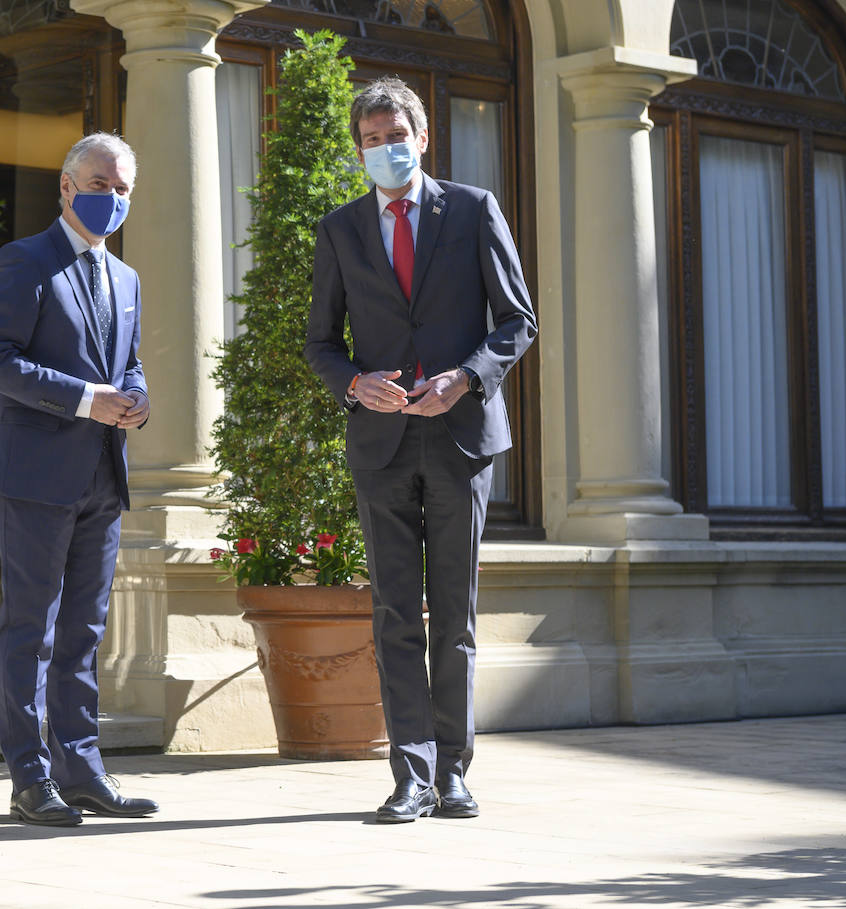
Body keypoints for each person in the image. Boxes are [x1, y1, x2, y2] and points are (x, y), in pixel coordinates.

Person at [305, 77, 537, 823]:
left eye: (394, 136)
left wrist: (467, 378)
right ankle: (411, 771)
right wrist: (355, 383)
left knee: (455, 612)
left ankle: (455, 769)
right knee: (395, 611)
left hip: (460, 439)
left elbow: (517, 320)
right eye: (370, 140)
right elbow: (320, 342)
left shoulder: (471, 210)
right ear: (359, 149)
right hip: (382, 442)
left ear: (423, 136)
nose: (384, 149)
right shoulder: (340, 230)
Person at [0, 132, 157, 827]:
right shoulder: (25, 261)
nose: (113, 199)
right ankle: (30, 777)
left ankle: (82, 771)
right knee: (32, 631)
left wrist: (136, 397)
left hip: (102, 478)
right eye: (101, 185)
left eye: (123, 189)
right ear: (66, 186)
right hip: (35, 479)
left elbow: (127, 363)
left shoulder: (127, 277)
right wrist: (86, 398)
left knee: (83, 631)